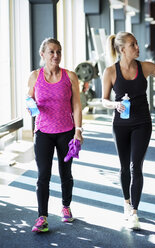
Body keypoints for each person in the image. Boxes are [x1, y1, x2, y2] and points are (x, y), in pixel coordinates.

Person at [102, 32, 155, 230]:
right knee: (123, 167)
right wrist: (115, 104)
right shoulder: (110, 72)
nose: (138, 47)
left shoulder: (144, 66)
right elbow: (104, 100)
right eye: (133, 45)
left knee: (135, 166)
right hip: (120, 124)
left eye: (136, 44)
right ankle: (127, 203)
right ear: (122, 50)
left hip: (142, 123)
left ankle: (134, 212)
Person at [27, 38, 83, 233]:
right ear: (42, 54)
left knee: (65, 173)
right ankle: (42, 217)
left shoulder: (70, 76)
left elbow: (76, 104)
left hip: (66, 131)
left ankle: (66, 206)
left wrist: (78, 130)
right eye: (51, 52)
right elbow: (30, 101)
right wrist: (30, 106)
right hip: (43, 132)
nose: (56, 55)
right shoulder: (35, 76)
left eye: (58, 51)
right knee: (43, 175)